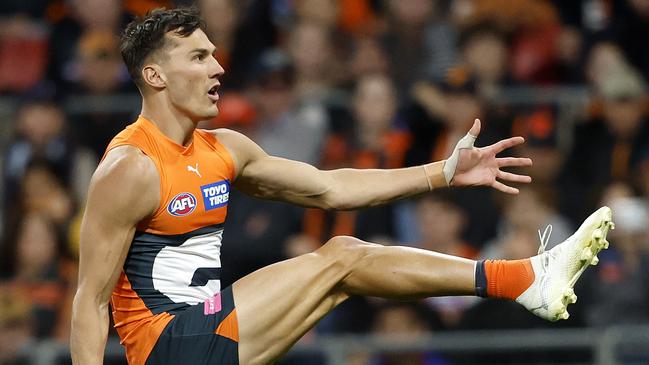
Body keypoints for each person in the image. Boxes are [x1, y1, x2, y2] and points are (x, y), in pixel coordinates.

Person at [70, 7, 614, 365]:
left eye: (214, 53)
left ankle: (524, 279)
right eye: (198, 57)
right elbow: (90, 302)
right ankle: (524, 279)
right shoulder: (130, 167)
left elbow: (330, 188)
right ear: (155, 76)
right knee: (339, 261)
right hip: (166, 348)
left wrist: (442, 172)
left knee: (345, 259)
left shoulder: (225, 148)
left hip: (208, 335)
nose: (218, 68)